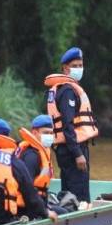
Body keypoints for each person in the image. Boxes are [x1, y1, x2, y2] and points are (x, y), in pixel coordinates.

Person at [44, 46, 98, 203]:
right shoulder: (67, 91)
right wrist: (78, 154)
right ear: (65, 68)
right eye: (75, 66)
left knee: (68, 193)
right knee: (79, 197)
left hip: (65, 149)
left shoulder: (60, 89)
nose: (79, 69)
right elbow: (68, 125)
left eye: (81, 65)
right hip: (73, 149)